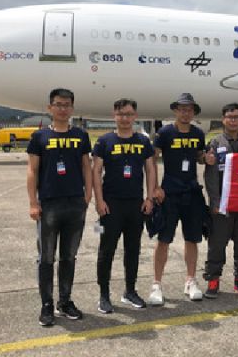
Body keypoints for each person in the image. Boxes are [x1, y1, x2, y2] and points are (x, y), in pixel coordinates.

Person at [26, 88, 92, 327]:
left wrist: (88, 194)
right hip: (49, 204)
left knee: (69, 257)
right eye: (58, 104)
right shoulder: (39, 137)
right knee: (46, 258)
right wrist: (33, 203)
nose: (62, 109)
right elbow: (32, 170)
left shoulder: (81, 135)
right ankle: (46, 304)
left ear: (72, 108)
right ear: (50, 108)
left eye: (67, 105)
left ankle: (65, 301)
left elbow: (86, 166)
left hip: (75, 203)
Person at [148, 93, 215, 305]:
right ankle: (156, 284)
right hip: (169, 193)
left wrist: (206, 158)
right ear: (175, 111)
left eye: (189, 110)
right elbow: (152, 160)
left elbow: (198, 156)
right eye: (182, 109)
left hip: (192, 192)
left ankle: (190, 280)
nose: (186, 113)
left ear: (194, 112)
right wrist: (155, 187)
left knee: (192, 238)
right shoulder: (164, 133)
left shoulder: (198, 133)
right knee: (164, 239)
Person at [92, 98, 155, 314]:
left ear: (135, 116)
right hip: (111, 206)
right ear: (114, 116)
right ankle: (104, 295)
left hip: (135, 205)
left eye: (128, 114)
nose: (125, 118)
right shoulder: (104, 141)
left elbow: (150, 170)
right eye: (120, 114)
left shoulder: (143, 141)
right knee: (106, 250)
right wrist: (99, 201)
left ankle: (130, 291)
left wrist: (149, 198)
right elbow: (96, 172)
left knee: (133, 250)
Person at [203, 103, 238, 298]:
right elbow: (210, 176)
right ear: (223, 119)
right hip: (222, 205)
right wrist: (215, 202)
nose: (233, 121)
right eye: (229, 117)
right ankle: (213, 279)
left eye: (236, 117)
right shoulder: (215, 143)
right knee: (217, 244)